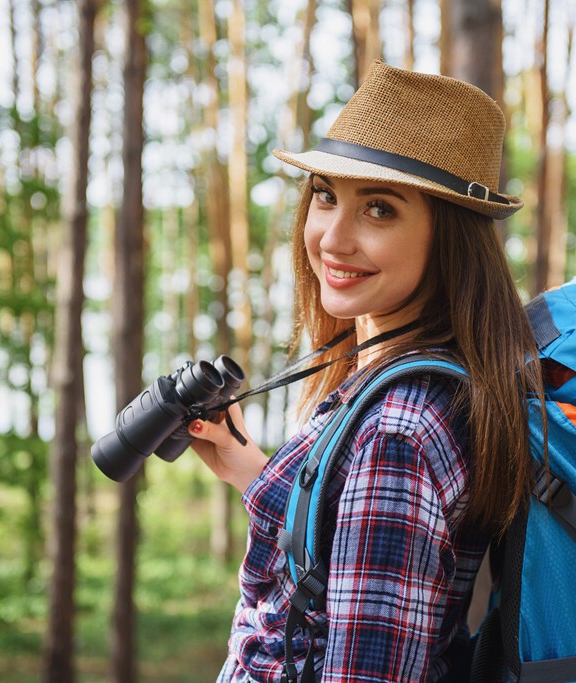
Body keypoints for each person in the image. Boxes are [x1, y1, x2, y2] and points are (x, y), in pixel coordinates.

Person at [187, 61, 542, 683]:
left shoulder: (396, 434)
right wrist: (253, 471)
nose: (331, 237)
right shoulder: (411, 389)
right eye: (325, 195)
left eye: (379, 209)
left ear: (449, 239)